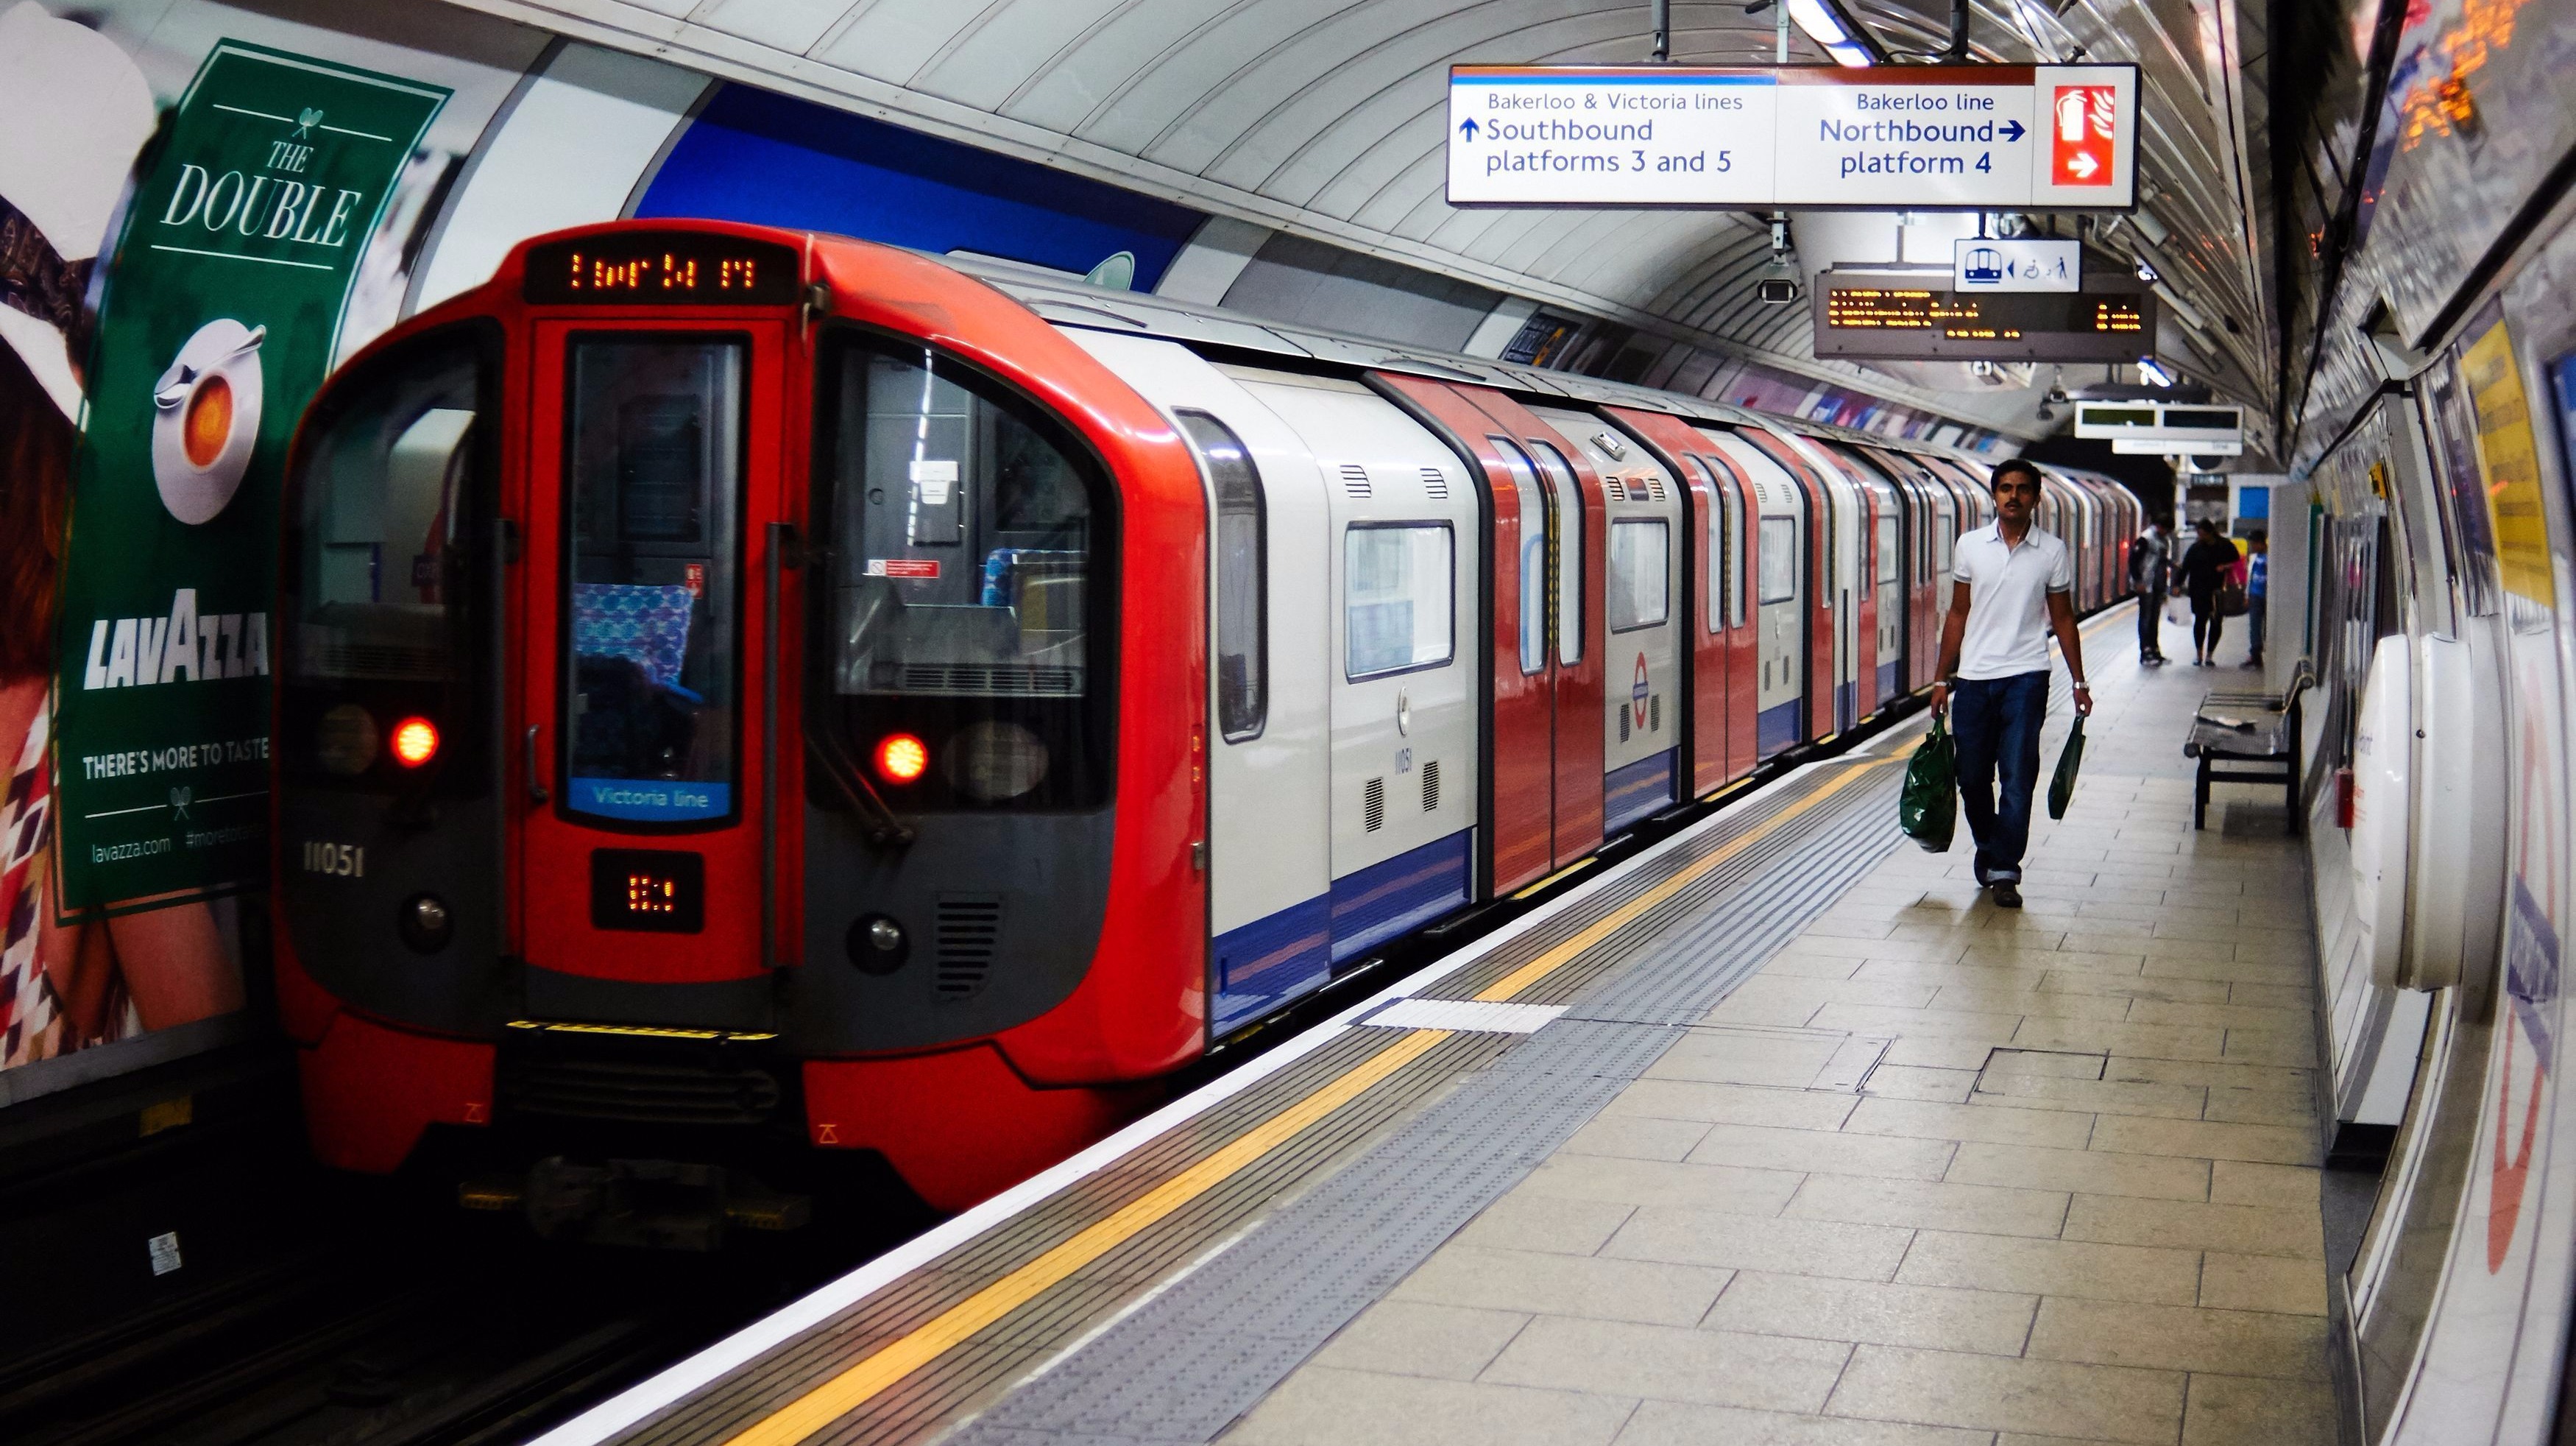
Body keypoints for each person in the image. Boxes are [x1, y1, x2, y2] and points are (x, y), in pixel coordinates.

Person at [1929, 459, 2092, 910]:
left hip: (2026, 675)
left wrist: (2079, 680)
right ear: (1994, 495)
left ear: (2036, 498)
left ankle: (2005, 870)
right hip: (1975, 679)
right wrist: (1942, 678)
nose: (2013, 496)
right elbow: (1958, 613)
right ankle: (1992, 846)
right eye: (2005, 488)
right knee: (1972, 778)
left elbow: (2062, 617)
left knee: (2018, 778)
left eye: (2022, 489)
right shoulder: (1970, 546)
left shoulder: (2052, 552)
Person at [2174, 521, 2239, 667]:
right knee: (2200, 622)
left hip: (2218, 590)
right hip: (2198, 590)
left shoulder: (2225, 545)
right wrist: (2177, 584)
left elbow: (2237, 561)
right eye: (2199, 534)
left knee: (2216, 622)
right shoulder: (2195, 548)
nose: (2200, 537)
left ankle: (2210, 655)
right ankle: (2199, 654)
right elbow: (2185, 567)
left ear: (2211, 533)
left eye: (2202, 534)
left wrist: (2225, 566)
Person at [2129, 515, 2173, 665]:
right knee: (2146, 619)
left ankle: (2155, 650)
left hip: (2158, 585)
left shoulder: (2164, 540)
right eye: (2166, 530)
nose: (2166, 533)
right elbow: (2133, 561)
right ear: (2160, 526)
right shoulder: (2146, 538)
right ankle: (2145, 651)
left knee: (2154, 619)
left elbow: (2162, 560)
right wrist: (2138, 581)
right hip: (2146, 585)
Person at [2243, 529, 2268, 668]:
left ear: (2260, 543)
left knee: (2268, 626)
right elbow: (2250, 577)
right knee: (2255, 625)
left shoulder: (2271, 557)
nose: (2251, 546)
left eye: (2253, 543)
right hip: (2255, 594)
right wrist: (2247, 595)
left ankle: (2265, 651)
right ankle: (2255, 653)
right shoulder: (2253, 558)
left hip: (2268, 596)